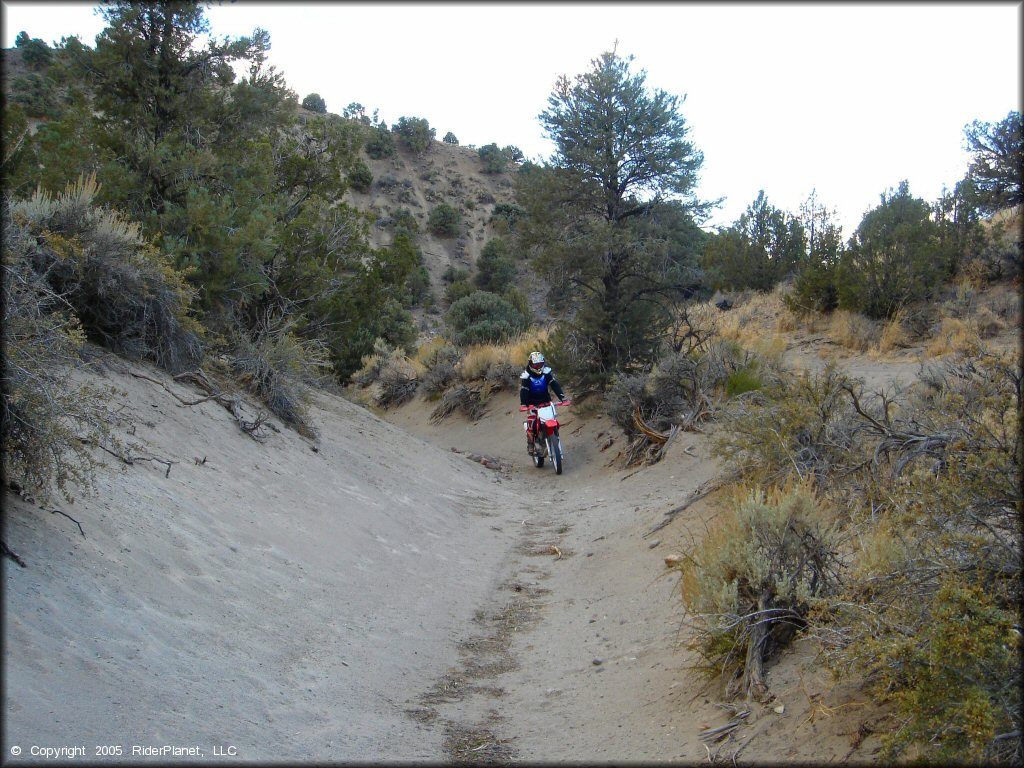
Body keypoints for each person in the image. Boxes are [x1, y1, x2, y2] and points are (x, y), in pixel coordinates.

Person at [519, 351, 566, 455]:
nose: (538, 366)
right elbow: (524, 391)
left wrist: (563, 398)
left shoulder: (546, 373)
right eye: (536, 364)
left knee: (552, 418)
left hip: (546, 402)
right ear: (531, 364)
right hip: (532, 404)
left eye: (540, 364)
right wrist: (524, 404)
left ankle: (553, 437)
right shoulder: (526, 376)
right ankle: (531, 444)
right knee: (532, 424)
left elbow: (554, 385)